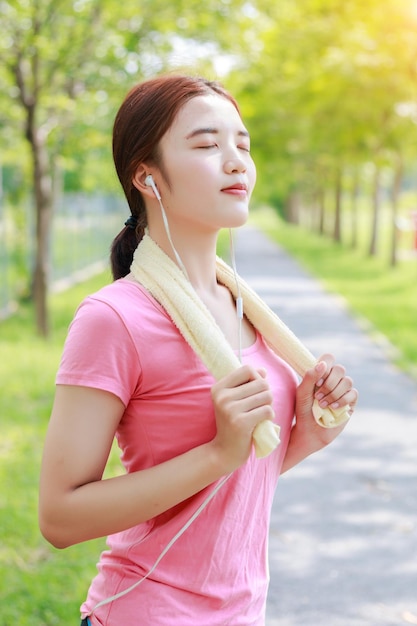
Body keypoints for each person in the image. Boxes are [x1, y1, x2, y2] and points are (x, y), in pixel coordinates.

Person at [39, 74, 358, 626]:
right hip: (143, 613)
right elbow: (59, 517)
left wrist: (308, 433)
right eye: (209, 145)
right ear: (146, 176)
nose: (236, 161)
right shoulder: (115, 318)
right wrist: (217, 452)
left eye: (243, 144)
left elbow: (231, 487)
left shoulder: (240, 305)